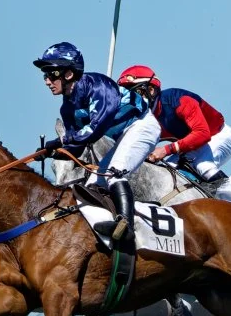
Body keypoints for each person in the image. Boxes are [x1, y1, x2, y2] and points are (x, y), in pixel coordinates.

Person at [34, 42, 160, 246]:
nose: (47, 81)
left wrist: (59, 141)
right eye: (45, 75)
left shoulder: (99, 86)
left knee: (114, 171)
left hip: (143, 126)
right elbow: (76, 148)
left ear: (68, 74)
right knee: (93, 184)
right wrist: (52, 152)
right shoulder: (67, 109)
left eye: (51, 73)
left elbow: (95, 129)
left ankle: (126, 226)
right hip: (123, 136)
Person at [117, 65, 231, 203]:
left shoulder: (179, 100)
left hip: (218, 136)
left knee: (202, 164)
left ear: (151, 90)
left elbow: (202, 133)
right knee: (166, 171)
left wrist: (166, 150)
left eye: (134, 93)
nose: (130, 101)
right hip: (191, 145)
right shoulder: (145, 117)